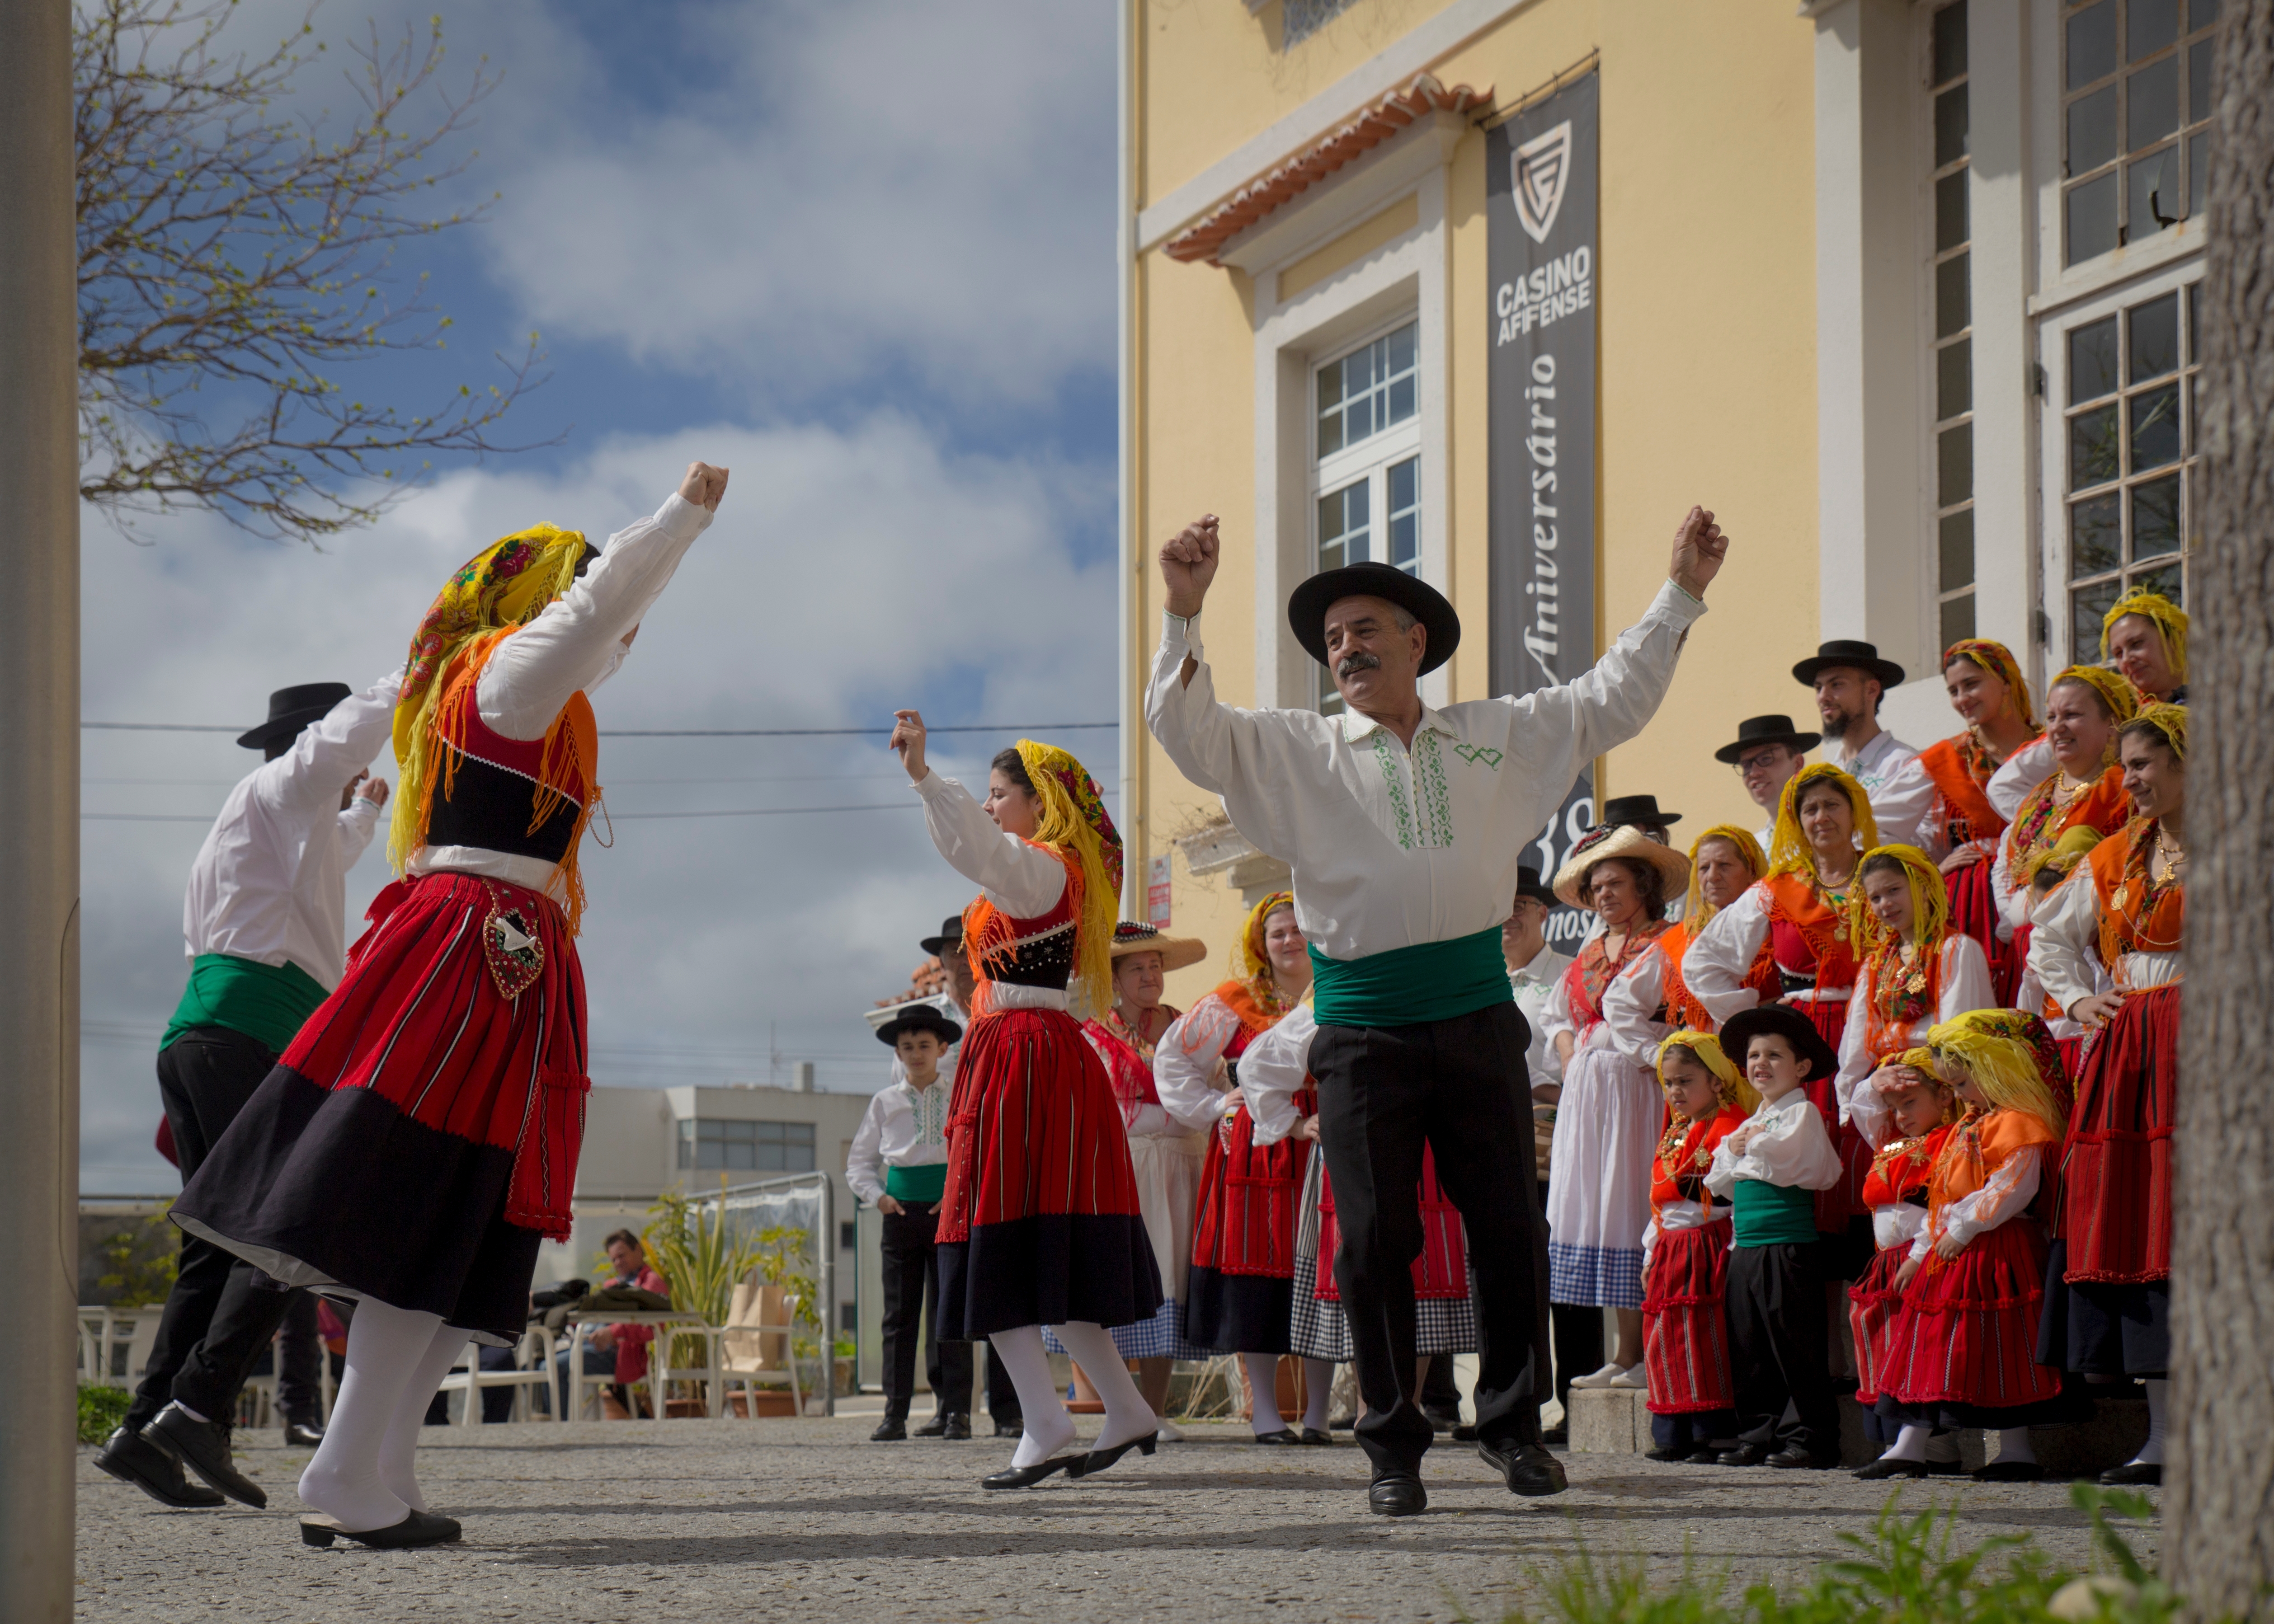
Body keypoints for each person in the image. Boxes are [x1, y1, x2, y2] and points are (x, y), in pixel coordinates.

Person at [172, 461, 730, 1549]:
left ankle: (373, 1461)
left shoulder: (530, 697)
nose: (616, 641)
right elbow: (597, 608)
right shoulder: (513, 673)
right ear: (539, 606)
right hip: (475, 952)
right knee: (436, 1197)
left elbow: (606, 616)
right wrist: (679, 521)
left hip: (502, 952)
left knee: (467, 1213)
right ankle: (344, 1467)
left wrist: (654, 557)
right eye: (581, 601)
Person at [1146, 504, 1728, 1515]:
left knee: (1508, 1227)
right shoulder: (1298, 750)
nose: (1346, 649)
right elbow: (1187, 732)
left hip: (1472, 1017)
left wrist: (1680, 590)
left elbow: (1610, 699)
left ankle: (1509, 1427)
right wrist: (1183, 613)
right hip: (1362, 1030)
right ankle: (1390, 1446)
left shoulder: (1493, 735)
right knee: (1373, 1242)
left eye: (1365, 630)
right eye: (1331, 641)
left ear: (1417, 642)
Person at [94, 677, 397, 1513]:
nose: (348, 775)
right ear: (311, 744)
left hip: (204, 1036)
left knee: (216, 1248)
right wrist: (411, 678)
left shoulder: (273, 824)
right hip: (249, 1036)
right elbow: (336, 749)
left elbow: (332, 854)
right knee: (288, 1221)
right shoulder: (280, 786)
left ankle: (142, 1426)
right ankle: (201, 1406)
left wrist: (365, 812)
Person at [885, 722, 1163, 1489]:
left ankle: (1050, 1417)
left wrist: (924, 779)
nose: (988, 801)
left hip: (1023, 1056)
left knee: (998, 1235)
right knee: (1031, 1242)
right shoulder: (1044, 872)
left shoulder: (1040, 868)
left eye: (1000, 792)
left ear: (1039, 805)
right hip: (1021, 1053)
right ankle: (1117, 1406)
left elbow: (977, 847)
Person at [2030, 703, 2188, 1487]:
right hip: (2132, 1049)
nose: (2132, 779)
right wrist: (2080, 1000)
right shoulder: (2118, 852)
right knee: (2140, 1232)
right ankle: (2162, 1436)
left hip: (2209, 1039)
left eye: (2147, 762)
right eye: (2126, 765)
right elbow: (2048, 935)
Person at [1233, 994, 1482, 1447]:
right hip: (1356, 1150)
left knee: (1421, 1276)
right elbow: (1257, 1065)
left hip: (1424, 1151)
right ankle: (1379, 1406)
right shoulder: (1337, 995)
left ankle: (1404, 1403)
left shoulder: (1436, 982)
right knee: (1367, 1265)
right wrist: (1293, 1123)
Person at [1864, 1012, 2073, 1483]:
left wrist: (1961, 1231)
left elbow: (2013, 1187)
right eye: (1953, 1086)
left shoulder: (2020, 1122)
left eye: (1962, 1084)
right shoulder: (1968, 1126)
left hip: (1999, 1246)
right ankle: (1911, 1443)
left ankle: (2016, 1448)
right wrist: (1922, 1251)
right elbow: (1943, 1195)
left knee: (2004, 1344)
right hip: (1955, 1248)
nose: (1958, 1096)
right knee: (1937, 1341)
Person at [1155, 893, 1332, 1445]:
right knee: (1257, 1274)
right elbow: (1173, 1058)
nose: (1289, 941)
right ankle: (1266, 1413)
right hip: (1254, 1150)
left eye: (1298, 930)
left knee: (1322, 1270)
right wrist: (1215, 1106)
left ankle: (1321, 1413)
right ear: (1261, 942)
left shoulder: (1335, 989)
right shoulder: (1233, 1002)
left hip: (1324, 1140)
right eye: (1278, 933)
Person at [1685, 765, 1879, 1249]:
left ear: (1853, 811)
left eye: (1832, 805)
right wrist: (1758, 1010)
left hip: (1873, 1030)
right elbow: (1702, 961)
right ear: (1797, 822)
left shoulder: (1884, 873)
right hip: (1804, 1041)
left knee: (1872, 1149)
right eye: (1809, 809)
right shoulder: (1777, 890)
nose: (1821, 817)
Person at [1540, 827, 1691, 1391]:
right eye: (1595, 886)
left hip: (1637, 1085)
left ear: (1644, 887)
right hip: (1589, 1092)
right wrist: (1568, 1051)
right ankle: (1624, 1351)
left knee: (1632, 1202)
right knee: (1604, 1206)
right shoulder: (1587, 951)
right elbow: (1557, 1015)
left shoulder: (1666, 941)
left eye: (1615, 883)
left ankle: (1644, 1351)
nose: (1603, 894)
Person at [1061, 921, 1211, 1430]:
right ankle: (1120, 1408)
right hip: (1123, 1165)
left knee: (1172, 1277)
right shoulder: (1093, 1035)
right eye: (1137, 968)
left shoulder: (1185, 1027)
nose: (1150, 977)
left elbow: (1206, 1089)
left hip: (1182, 1163)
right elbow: (1096, 1107)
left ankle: (1155, 1408)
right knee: (1124, 1277)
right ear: (1114, 978)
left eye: (1156, 967)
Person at [1704, 1005, 1847, 1469]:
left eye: (1774, 1055)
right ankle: (1757, 1433)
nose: (1760, 1064)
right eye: (1754, 1056)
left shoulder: (1801, 1114)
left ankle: (1812, 1438)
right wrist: (1739, 1146)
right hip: (1747, 1247)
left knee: (1795, 1346)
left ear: (1802, 1067)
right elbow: (1720, 1181)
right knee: (1750, 1346)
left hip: (1787, 1247)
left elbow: (1796, 1165)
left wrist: (1747, 1148)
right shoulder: (1752, 1122)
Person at [915, 915, 1024, 1437]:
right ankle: (952, 1407)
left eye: (967, 949)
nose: (959, 960)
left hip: (1000, 1160)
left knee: (1003, 1278)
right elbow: (915, 1112)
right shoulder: (927, 1026)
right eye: (950, 952)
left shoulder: (1002, 1009)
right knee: (949, 1290)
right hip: (947, 1173)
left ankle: (1010, 1410)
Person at [1501, 869, 1596, 1440]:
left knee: (1564, 1269)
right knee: (1511, 1276)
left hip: (1554, 1139)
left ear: (1542, 913)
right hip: (1494, 1142)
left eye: (1519, 904)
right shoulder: (1479, 979)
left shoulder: (1567, 975)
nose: (1509, 918)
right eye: (1499, 907)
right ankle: (1516, 1407)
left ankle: (1574, 1399)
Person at [1831, 845, 1996, 1162]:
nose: (1885, 904)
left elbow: (1957, 1034)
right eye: (1875, 898)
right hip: (1892, 1091)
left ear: (1921, 887)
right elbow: (1856, 1042)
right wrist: (1861, 1090)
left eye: (1893, 890)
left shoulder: (1954, 950)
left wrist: (1928, 1078)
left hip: (1943, 1089)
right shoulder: (1875, 965)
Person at [847, 1004, 966, 1442]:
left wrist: (956, 1196)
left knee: (949, 1313)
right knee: (899, 1318)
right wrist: (879, 1198)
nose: (915, 1054)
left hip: (947, 1212)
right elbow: (859, 1163)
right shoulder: (885, 1101)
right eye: (906, 1047)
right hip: (900, 1215)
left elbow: (971, 1151)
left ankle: (956, 1413)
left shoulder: (959, 1094)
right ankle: (894, 1415)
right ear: (897, 1054)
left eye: (923, 1046)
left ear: (942, 1049)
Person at [1638, 1032, 1757, 1464]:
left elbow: (1722, 1194)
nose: (1675, 1092)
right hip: (1671, 1246)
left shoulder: (1729, 1126)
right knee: (1667, 1337)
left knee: (1702, 1336)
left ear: (1718, 1082)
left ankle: (1715, 1433)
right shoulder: (1677, 1131)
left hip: (1706, 1245)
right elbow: (1660, 1198)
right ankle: (1675, 1431)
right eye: (1668, 1083)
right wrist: (1651, 1251)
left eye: (1685, 1081)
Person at [1845, 1056, 1962, 1476]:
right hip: (1887, 1258)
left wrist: (1919, 1255)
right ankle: (1906, 1443)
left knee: (1917, 1347)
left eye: (1910, 1102)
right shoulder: (1889, 1141)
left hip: (1926, 1256)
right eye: (1893, 1106)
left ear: (1945, 1096)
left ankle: (1935, 1445)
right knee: (1882, 1340)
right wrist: (1875, 1081)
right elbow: (1862, 1109)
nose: (1900, 1115)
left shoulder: (1953, 1139)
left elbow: (1946, 1207)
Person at [1989, 666, 2137, 982]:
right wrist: (2016, 915)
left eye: (2071, 715)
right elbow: (2004, 865)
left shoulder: (2124, 792)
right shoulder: (2038, 795)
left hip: (2094, 954)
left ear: (2111, 725)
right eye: (2052, 717)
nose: (2057, 727)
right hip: (2027, 950)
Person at [1987, 591, 2186, 821]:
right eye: (2119, 653)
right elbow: (2004, 785)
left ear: (2173, 638)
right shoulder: (2119, 714)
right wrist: (2056, 827)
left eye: (2137, 644)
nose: (2128, 659)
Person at [1917, 641, 2040, 1004]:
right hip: (1972, 901)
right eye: (1953, 690)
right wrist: (1933, 871)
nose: (1961, 698)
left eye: (1970, 684)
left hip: (2041, 887)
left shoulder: (2051, 748)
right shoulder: (1945, 760)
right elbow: (1887, 831)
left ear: (2005, 680)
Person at [1638, 825, 1776, 1036]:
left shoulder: (1776, 928)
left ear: (1752, 871)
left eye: (1724, 865)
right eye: (1704, 868)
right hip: (1702, 1059)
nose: (1712, 877)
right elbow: (1621, 1000)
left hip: (1763, 1047)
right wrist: (1652, 1053)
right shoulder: (1682, 936)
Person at [1794, 640, 1933, 849]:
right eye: (1818, 688)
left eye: (1837, 684)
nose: (1823, 697)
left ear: (1871, 690)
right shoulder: (1828, 774)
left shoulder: (1906, 765)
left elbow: (1922, 843)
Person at [1715, 715, 1818, 854]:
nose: (1754, 773)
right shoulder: (1756, 849)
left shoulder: (1824, 828)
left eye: (1766, 759)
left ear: (1797, 763)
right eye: (1746, 765)